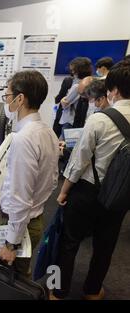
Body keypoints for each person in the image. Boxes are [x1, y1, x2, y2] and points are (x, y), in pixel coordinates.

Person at [52, 60, 130, 300]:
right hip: (121, 192)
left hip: (87, 191)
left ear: (114, 90)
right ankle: (93, 290)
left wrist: (64, 191)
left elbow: (78, 162)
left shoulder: (100, 119)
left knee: (69, 242)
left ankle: (59, 291)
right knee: (106, 245)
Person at [0, 70, 59, 278]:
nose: (6, 102)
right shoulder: (47, 131)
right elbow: (52, 180)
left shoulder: (23, 138)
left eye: (7, 96)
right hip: (35, 219)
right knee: (22, 273)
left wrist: (11, 243)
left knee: (11, 282)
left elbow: (20, 198)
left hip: (20, 228)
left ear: (20, 98)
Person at [57, 57, 93, 138]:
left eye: (73, 70)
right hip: (82, 121)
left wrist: (62, 99)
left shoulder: (77, 86)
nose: (72, 72)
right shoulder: (90, 82)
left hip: (70, 120)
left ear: (78, 71)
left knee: (64, 146)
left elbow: (65, 104)